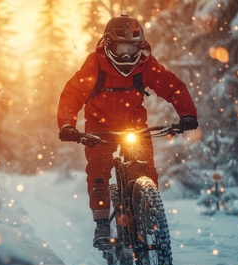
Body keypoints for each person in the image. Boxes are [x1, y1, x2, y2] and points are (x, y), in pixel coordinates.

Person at [57, 14, 198, 250]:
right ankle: (102, 223)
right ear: (110, 45)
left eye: (132, 48)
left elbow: (172, 86)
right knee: (99, 169)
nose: (126, 55)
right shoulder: (95, 63)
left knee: (145, 168)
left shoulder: (145, 65)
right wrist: (67, 124)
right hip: (99, 127)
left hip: (133, 124)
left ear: (140, 46)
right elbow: (73, 92)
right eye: (121, 48)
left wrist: (187, 114)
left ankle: (148, 212)